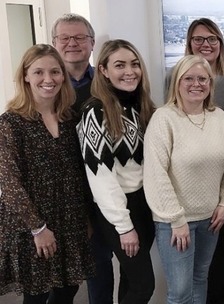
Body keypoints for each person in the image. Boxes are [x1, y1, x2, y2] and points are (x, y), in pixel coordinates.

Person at [0, 44, 94, 303]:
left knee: (68, 290)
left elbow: (80, 173)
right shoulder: (11, 123)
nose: (48, 79)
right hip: (33, 223)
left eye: (55, 71)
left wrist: (85, 215)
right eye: (39, 72)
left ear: (63, 76)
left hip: (69, 218)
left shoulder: (70, 118)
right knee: (37, 294)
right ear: (26, 76)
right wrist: (38, 228)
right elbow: (9, 183)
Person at [145, 55, 224, 303]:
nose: (197, 84)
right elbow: (156, 173)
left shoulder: (219, 117)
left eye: (202, 79)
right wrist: (176, 219)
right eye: (189, 78)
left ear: (210, 84)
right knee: (181, 292)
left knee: (200, 280)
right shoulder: (164, 118)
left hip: (210, 219)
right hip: (175, 222)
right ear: (177, 83)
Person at [77, 39, 156, 304]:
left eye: (134, 64)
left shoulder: (142, 107)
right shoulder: (95, 110)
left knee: (131, 281)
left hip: (144, 204)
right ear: (103, 70)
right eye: (119, 65)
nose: (129, 71)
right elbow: (100, 177)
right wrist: (123, 226)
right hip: (118, 209)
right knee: (144, 285)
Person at [177, 18, 224, 304]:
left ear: (221, 44)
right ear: (189, 42)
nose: (205, 44)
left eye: (212, 39)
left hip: (221, 182)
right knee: (184, 271)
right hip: (185, 183)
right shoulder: (175, 77)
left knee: (216, 263)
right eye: (198, 39)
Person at [51, 13, 116, 304]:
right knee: (61, 280)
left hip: (99, 194)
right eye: (64, 38)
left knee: (100, 270)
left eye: (79, 37)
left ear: (92, 43)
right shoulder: (44, 86)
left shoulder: (107, 85)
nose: (72, 43)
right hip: (60, 197)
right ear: (54, 43)